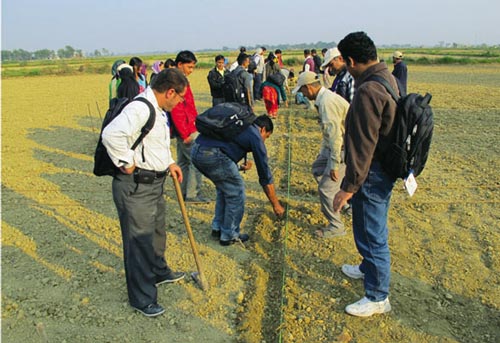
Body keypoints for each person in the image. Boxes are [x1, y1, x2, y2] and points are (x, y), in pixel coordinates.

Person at [101, 68, 188, 317]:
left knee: (157, 232)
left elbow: (155, 143)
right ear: (170, 92)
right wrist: (126, 161)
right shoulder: (140, 108)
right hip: (136, 186)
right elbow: (111, 134)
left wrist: (169, 163)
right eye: (180, 97)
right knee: (139, 242)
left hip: (155, 184)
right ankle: (142, 299)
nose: (180, 101)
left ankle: (159, 271)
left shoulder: (158, 109)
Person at [333, 31, 399, 317]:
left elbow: (362, 145)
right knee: (365, 224)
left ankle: (377, 296)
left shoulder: (367, 90)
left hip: (372, 173)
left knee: (373, 234)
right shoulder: (387, 77)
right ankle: (366, 267)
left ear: (350, 61)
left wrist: (348, 187)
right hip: (380, 169)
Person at [191, 114, 285, 245]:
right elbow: (265, 175)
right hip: (212, 156)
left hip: (197, 150)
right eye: (267, 137)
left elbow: (224, 150)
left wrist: (238, 167)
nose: (264, 140)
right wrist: (276, 204)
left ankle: (217, 228)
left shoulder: (241, 124)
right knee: (236, 192)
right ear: (263, 129)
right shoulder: (255, 136)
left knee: (224, 188)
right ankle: (229, 235)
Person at [292, 72, 349, 238]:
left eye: (302, 90)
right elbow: (328, 134)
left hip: (343, 149)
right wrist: (324, 153)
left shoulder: (326, 103)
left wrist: (334, 164)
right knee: (317, 169)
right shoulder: (323, 99)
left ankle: (336, 226)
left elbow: (336, 136)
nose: (302, 94)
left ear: (309, 87)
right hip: (334, 146)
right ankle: (340, 200)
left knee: (325, 189)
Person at [170, 50, 207, 203]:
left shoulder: (180, 80)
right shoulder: (176, 83)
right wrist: (184, 133)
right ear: (180, 64)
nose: (191, 70)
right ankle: (192, 194)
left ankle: (184, 192)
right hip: (185, 129)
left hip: (187, 127)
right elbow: (176, 110)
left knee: (184, 162)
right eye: (189, 67)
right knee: (196, 162)